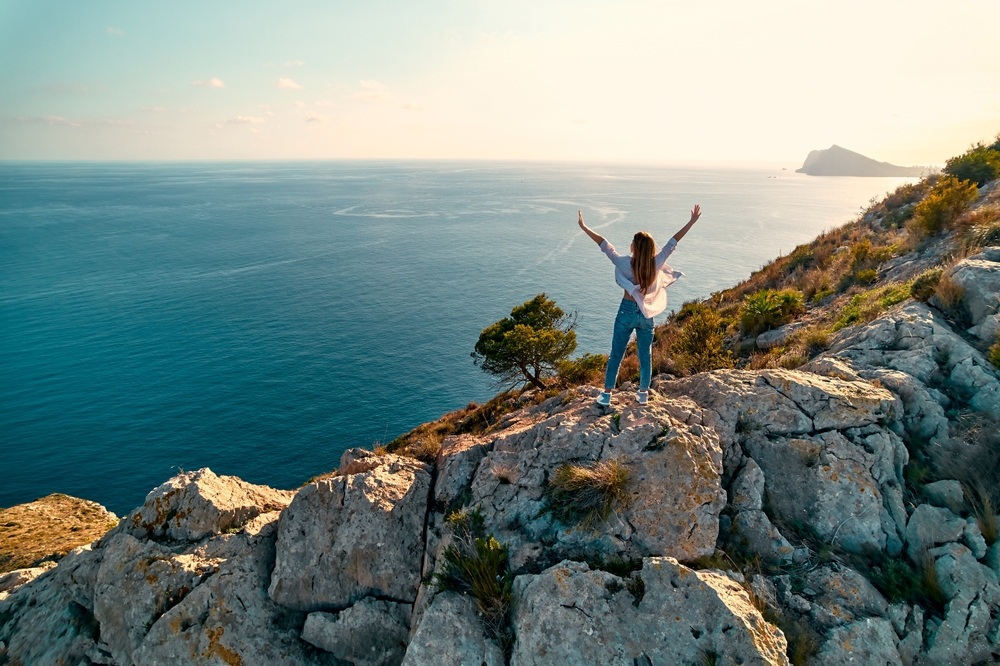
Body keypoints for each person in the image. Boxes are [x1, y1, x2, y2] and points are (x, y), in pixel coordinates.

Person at [577, 206, 701, 406]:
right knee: (645, 354)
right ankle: (643, 393)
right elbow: (673, 242)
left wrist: (584, 227)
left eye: (633, 242)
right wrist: (691, 222)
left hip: (626, 310)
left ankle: (607, 394)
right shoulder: (655, 263)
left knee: (616, 353)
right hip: (646, 313)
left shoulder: (623, 263)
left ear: (634, 246)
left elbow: (604, 244)